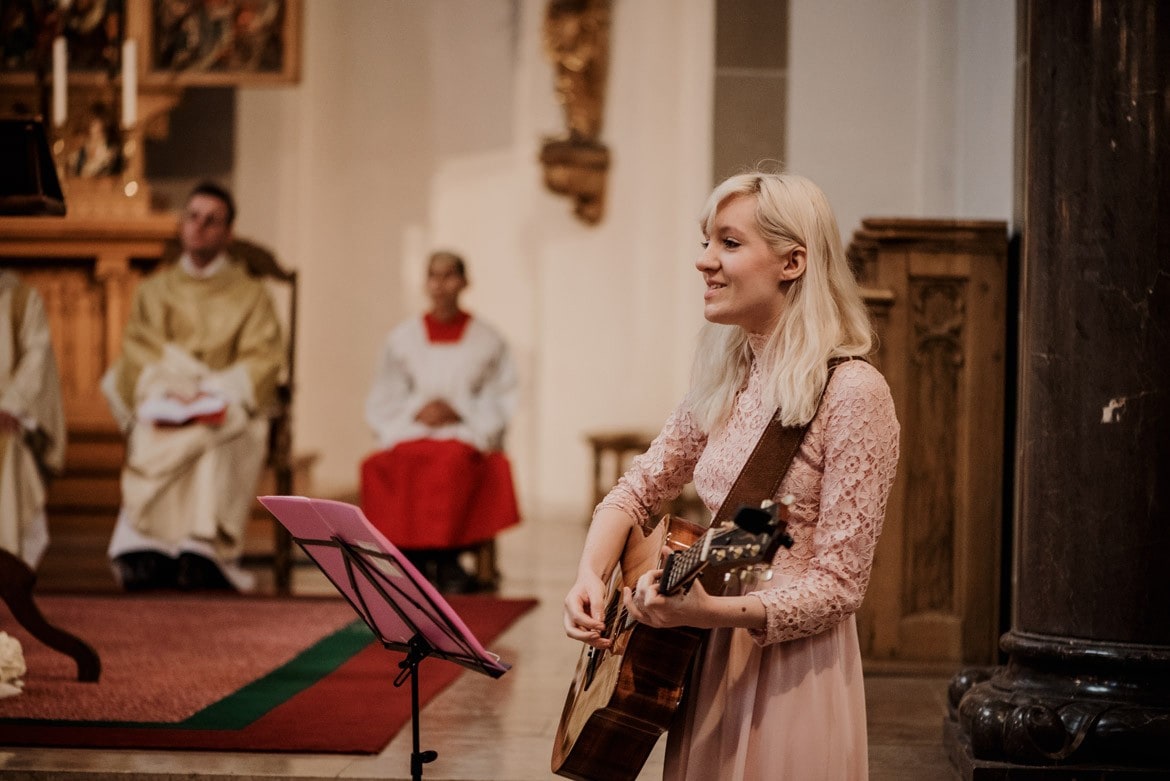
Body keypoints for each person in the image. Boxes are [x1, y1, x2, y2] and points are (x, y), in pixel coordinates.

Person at [562, 171, 900, 779]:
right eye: (705, 241)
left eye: (729, 243)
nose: (703, 262)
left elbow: (840, 587)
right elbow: (638, 488)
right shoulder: (729, 373)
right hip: (704, 647)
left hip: (789, 671)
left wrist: (708, 613)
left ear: (793, 262)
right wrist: (591, 571)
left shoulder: (853, 392)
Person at [102, 182, 285, 592]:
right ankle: (145, 547)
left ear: (228, 233)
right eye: (193, 217)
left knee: (216, 429)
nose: (199, 227)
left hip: (225, 398)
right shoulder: (155, 290)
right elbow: (139, 352)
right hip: (167, 395)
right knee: (155, 427)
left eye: (211, 220)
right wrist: (172, 390)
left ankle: (202, 549)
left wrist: (213, 390)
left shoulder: (251, 294)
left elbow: (264, 357)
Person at [362, 250, 520, 594]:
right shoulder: (403, 338)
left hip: (464, 429)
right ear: (426, 282)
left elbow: (500, 395)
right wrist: (417, 410)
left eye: (449, 275)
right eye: (433, 276)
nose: (440, 284)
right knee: (392, 461)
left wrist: (458, 410)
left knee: (451, 461)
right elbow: (386, 392)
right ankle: (411, 560)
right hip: (412, 427)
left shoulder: (488, 339)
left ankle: (448, 559)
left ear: (464, 282)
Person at [0, 271, 66, 570]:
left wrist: (12, 405)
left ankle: (7, 571)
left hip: (3, 415)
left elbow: (36, 357)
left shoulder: (19, 298)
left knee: (7, 442)